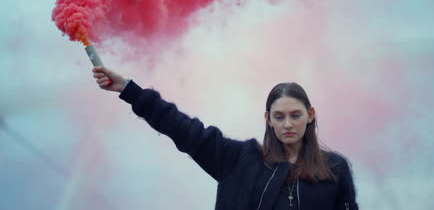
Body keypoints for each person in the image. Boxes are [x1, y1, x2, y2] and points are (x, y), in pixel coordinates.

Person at [92, 66, 358, 210]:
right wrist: (130, 90)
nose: (287, 124)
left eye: (295, 115)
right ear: (268, 119)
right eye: (279, 116)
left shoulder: (334, 169)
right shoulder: (238, 159)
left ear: (310, 115)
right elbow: (182, 128)